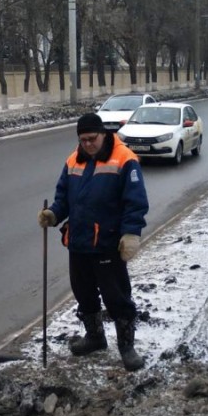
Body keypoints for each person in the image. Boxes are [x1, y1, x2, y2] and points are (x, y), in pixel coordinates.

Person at [38, 111, 149, 371]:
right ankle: (95, 337)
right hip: (78, 241)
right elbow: (63, 197)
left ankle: (126, 346)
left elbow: (135, 202)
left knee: (116, 297)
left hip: (108, 243)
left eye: (92, 139)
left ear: (103, 134)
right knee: (83, 292)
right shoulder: (73, 161)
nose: (87, 144)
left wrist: (131, 233)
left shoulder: (124, 160)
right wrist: (53, 214)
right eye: (83, 140)